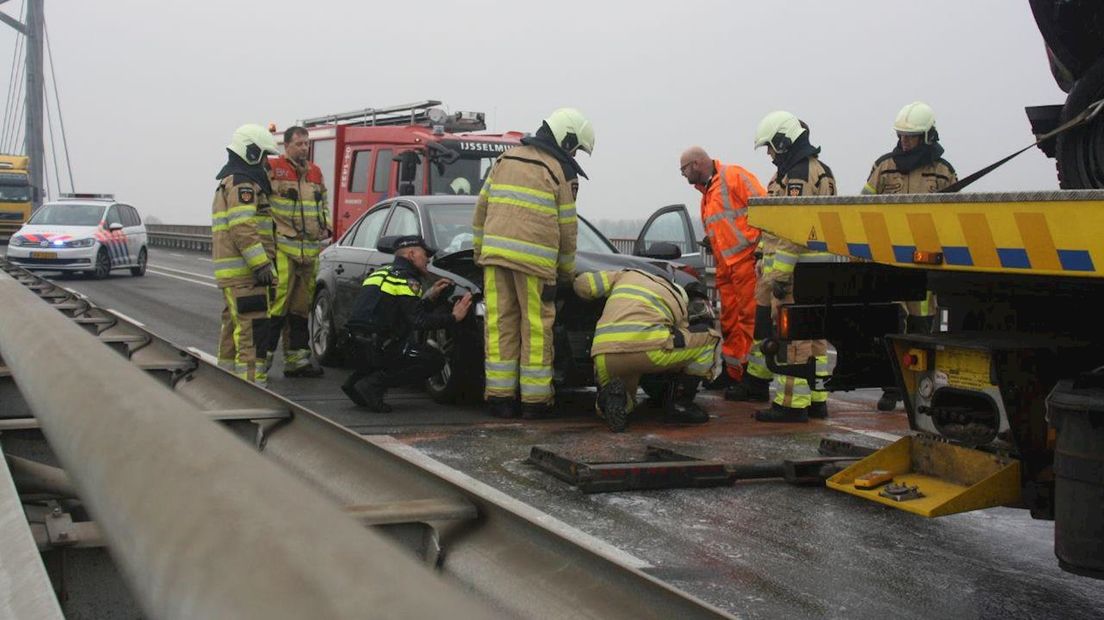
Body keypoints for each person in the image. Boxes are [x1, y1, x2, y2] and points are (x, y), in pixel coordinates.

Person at [473, 108, 594, 419]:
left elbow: (481, 210)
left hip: (496, 259)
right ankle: (534, 402)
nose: (575, 152)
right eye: (576, 146)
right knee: (536, 330)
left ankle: (500, 398)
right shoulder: (559, 171)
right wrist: (565, 273)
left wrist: (479, 252)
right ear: (566, 139)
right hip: (536, 266)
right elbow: (568, 230)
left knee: (500, 326)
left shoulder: (505, 159)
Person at [863, 101, 958, 411]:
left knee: (922, 330)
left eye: (911, 137)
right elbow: (862, 208)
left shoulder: (944, 173)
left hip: (926, 264)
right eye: (901, 136)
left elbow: (955, 218)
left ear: (927, 137)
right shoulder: (884, 167)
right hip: (889, 263)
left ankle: (922, 390)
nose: (904, 142)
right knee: (890, 327)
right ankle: (891, 388)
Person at [751, 111, 838, 423]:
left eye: (771, 147)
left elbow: (791, 231)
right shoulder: (819, 171)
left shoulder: (797, 175)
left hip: (796, 274)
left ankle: (790, 404)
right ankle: (817, 400)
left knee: (793, 341)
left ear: (784, 141)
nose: (771, 154)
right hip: (818, 272)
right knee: (815, 341)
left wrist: (780, 276)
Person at [574, 269, 718, 432]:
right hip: (646, 350)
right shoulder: (677, 299)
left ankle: (608, 399)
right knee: (708, 339)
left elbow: (584, 285)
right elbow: (680, 337)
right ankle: (682, 404)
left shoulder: (626, 274)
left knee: (625, 403)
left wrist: (570, 276)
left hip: (604, 353)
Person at [342, 235, 473, 411]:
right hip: (377, 345)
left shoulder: (384, 271)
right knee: (434, 360)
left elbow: (401, 311)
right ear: (411, 254)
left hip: (353, 345)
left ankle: (355, 383)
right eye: (425, 254)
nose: (428, 259)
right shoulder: (407, 279)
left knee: (390, 343)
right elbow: (418, 320)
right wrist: (454, 317)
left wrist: (430, 296)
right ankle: (372, 385)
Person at [679, 146, 765, 401]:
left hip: (745, 261)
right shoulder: (707, 192)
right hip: (727, 265)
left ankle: (752, 377)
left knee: (749, 319)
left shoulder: (734, 177)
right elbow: (725, 224)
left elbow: (764, 208)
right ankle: (733, 371)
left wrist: (758, 248)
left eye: (683, 169)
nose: (683, 175)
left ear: (696, 164)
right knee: (729, 319)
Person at [212, 124, 280, 385]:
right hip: (247, 275)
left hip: (234, 276)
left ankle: (226, 385)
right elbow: (243, 227)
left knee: (233, 332)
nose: (266, 163)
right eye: (264, 156)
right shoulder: (244, 184)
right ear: (251, 153)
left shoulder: (229, 181)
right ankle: (253, 392)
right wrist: (261, 264)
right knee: (253, 334)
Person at [265, 126, 332, 378]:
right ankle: (263, 360)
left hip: (310, 249)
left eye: (306, 143)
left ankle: (297, 360)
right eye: (299, 144)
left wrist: (326, 224)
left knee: (301, 307)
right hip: (283, 247)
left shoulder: (315, 172)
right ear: (287, 146)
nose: (304, 148)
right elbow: (263, 203)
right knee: (278, 303)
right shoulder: (273, 169)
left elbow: (322, 202)